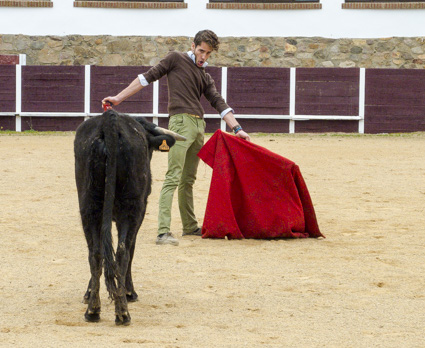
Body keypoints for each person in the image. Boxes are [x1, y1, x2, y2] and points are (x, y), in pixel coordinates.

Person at [102, 29, 250, 246]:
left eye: (208, 54)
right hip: (180, 124)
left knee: (188, 180)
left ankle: (189, 226)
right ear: (193, 46)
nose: (203, 57)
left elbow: (219, 103)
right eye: (201, 51)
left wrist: (237, 129)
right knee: (173, 177)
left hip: (199, 127)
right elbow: (146, 78)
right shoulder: (175, 59)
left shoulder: (205, 76)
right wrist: (118, 98)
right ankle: (163, 232)